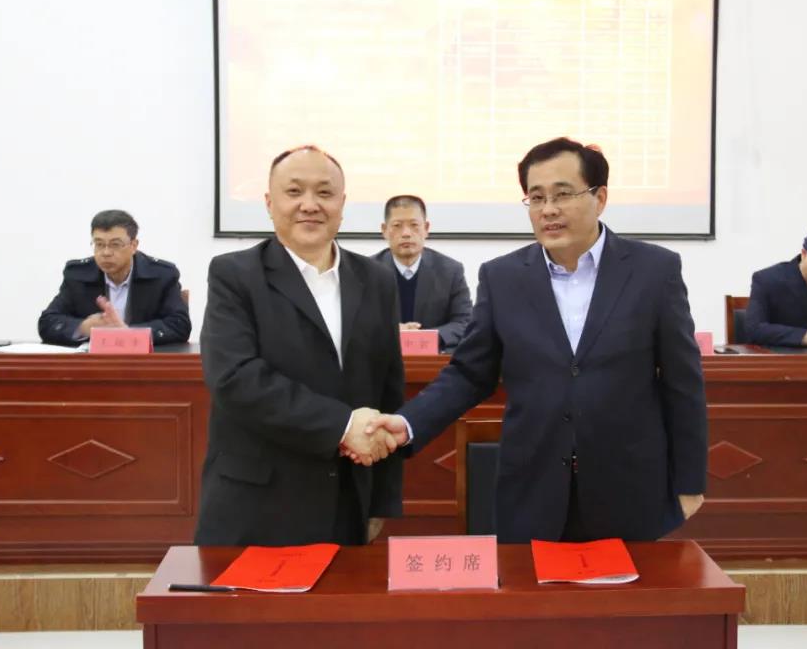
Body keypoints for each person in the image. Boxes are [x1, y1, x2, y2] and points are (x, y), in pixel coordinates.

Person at [364, 137, 707, 543]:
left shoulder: (654, 270)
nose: (548, 209)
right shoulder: (502, 277)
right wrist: (408, 423)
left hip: (631, 491)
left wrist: (690, 483)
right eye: (537, 197)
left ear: (600, 198)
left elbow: (683, 382)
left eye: (562, 194)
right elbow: (470, 374)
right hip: (532, 492)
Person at [194, 145, 405, 547]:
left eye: (324, 193)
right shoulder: (234, 275)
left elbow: (388, 391)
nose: (310, 205)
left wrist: (381, 501)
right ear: (269, 203)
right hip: (257, 504)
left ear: (342, 204)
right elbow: (235, 378)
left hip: (347, 502)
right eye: (294, 192)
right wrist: (342, 426)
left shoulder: (376, 280)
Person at [38, 210, 190, 346]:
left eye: (115, 245)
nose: (106, 253)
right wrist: (84, 327)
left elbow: (179, 325)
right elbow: (48, 322)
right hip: (93, 364)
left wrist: (129, 333)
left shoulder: (161, 275)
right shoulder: (78, 275)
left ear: (134, 245)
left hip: (144, 363)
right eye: (99, 244)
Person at [372, 195, 473, 349]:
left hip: (433, 359)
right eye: (397, 225)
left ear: (426, 229)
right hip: (381, 357)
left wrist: (425, 338)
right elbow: (354, 323)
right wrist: (391, 332)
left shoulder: (450, 271)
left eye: (414, 225)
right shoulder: (367, 271)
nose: (406, 233)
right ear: (384, 230)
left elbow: (465, 322)